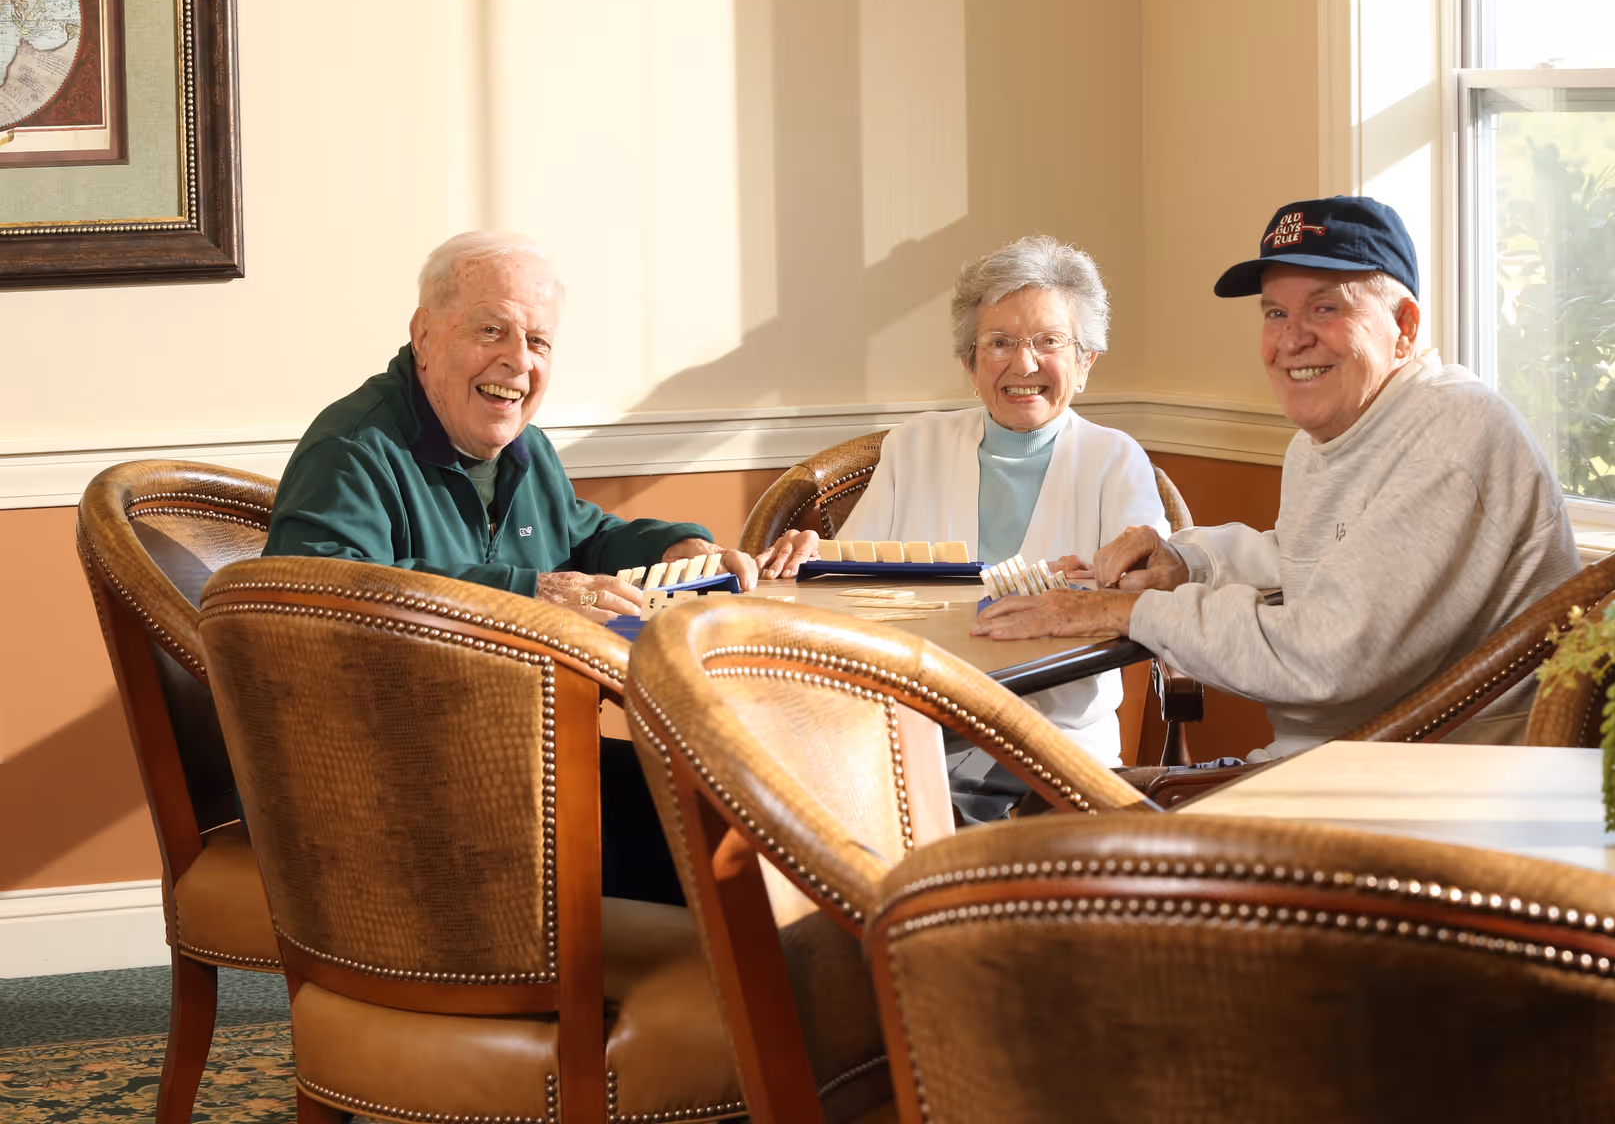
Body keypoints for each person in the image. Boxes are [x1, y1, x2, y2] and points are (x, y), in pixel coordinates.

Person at [972, 196, 1579, 757]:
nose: (1292, 338)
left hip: (1421, 794)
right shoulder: (1328, 437)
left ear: (1406, 327)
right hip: (1331, 767)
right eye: (1276, 312)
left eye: (1326, 308)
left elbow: (1325, 657)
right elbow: (1303, 561)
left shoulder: (1450, 433)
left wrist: (1125, 612)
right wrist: (1187, 563)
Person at [266, 230, 763, 903]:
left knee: (731, 804)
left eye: (538, 342)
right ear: (423, 335)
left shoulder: (524, 449)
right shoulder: (352, 450)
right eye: (490, 330)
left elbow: (583, 536)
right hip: (393, 786)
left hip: (518, 756)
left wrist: (674, 547)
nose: (517, 360)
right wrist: (527, 594)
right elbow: (314, 600)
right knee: (713, 844)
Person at [831, 235, 1170, 821]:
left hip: (1049, 741)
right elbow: (844, 584)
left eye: (1049, 341)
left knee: (903, 821)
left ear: (1086, 362)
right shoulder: (914, 446)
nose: (1024, 364)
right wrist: (808, 556)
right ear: (970, 363)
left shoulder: (1115, 460)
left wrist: (1093, 591)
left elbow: (1154, 591)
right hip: (910, 724)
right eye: (1000, 343)